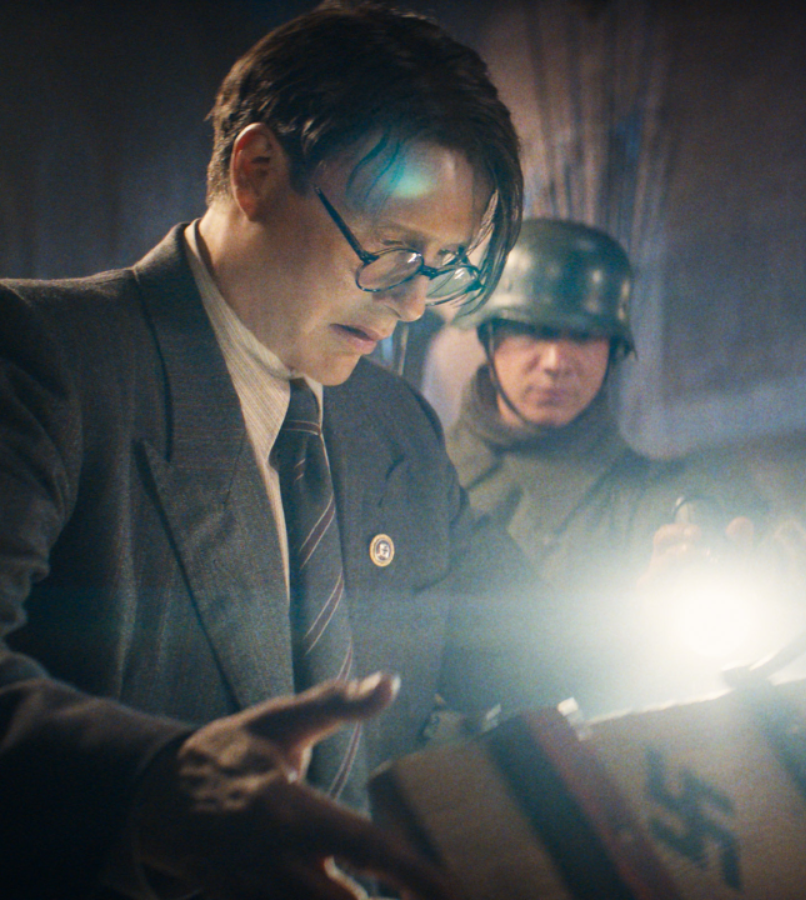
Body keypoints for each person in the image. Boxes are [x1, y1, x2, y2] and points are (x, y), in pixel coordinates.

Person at [0, 4, 544, 898]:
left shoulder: (396, 426)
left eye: (440, 265)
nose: (413, 304)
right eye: (391, 249)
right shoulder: (47, 358)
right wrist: (153, 784)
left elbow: (525, 639)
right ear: (256, 170)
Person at [445, 219, 758, 711]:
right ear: (489, 337)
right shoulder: (424, 483)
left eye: (584, 335)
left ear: (613, 350)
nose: (556, 361)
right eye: (533, 331)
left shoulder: (661, 498)